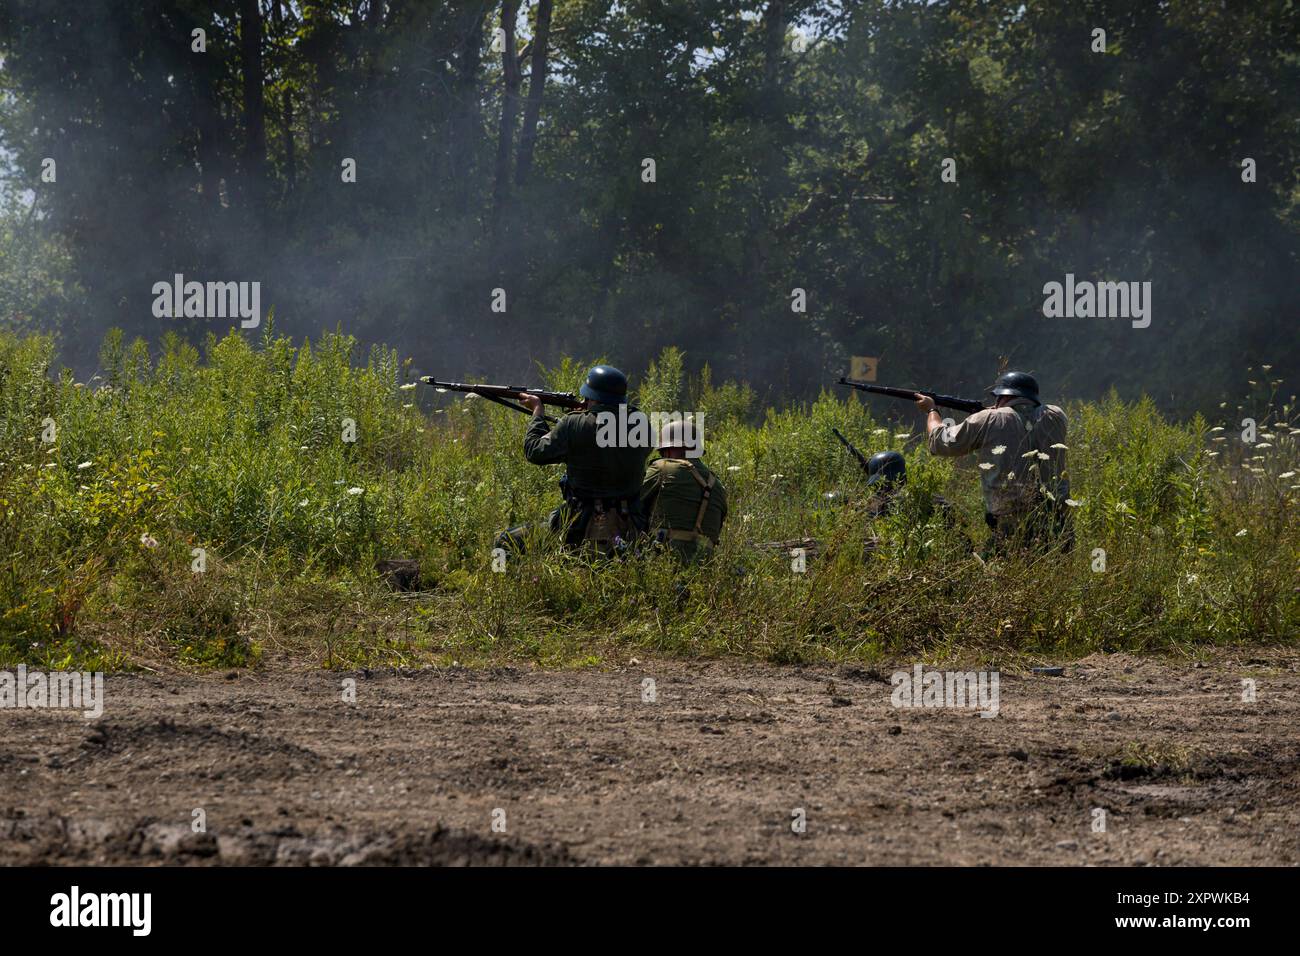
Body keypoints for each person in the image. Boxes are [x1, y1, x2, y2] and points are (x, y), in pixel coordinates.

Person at [495, 365, 651, 555]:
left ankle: (499, 577)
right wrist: (589, 412)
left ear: (591, 396)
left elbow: (534, 451)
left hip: (579, 525)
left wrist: (538, 412)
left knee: (504, 542)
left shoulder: (573, 424)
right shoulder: (641, 426)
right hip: (629, 526)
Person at [916, 370, 1071, 553]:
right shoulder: (1056, 415)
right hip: (1058, 518)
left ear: (1002, 397)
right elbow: (1023, 419)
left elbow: (940, 442)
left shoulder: (989, 418)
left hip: (1012, 522)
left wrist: (932, 410)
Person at [640, 419, 727, 563]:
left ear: (668, 449)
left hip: (663, 559)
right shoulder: (717, 485)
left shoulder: (663, 468)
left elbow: (636, 500)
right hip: (703, 566)